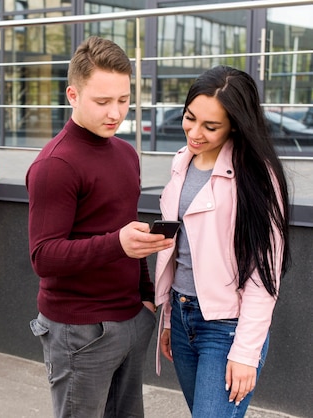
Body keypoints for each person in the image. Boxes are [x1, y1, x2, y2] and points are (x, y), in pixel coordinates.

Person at [26, 36, 173, 417]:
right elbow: (43, 257)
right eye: (102, 101)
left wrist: (145, 298)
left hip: (129, 318)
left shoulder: (126, 153)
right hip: (79, 330)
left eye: (123, 100)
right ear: (72, 95)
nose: (115, 112)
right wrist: (118, 245)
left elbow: (126, 230)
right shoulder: (55, 165)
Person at [155, 65, 290, 417]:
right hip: (183, 316)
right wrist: (170, 319)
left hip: (225, 327)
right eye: (190, 118)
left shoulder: (257, 176)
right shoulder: (182, 161)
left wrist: (246, 353)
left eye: (210, 126)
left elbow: (264, 275)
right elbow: (180, 252)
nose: (194, 132)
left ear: (235, 125)